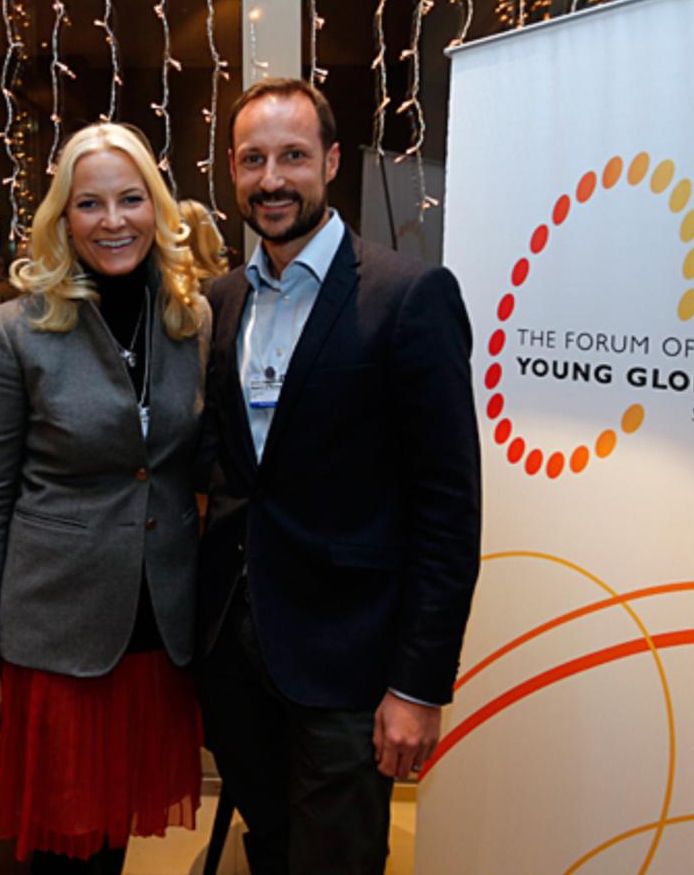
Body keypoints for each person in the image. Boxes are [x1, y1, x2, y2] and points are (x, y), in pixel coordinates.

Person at [196, 78, 482, 874]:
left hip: (350, 663)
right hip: (234, 655)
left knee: (338, 861)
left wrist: (418, 686)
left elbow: (448, 509)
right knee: (272, 849)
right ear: (233, 169)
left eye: (292, 156)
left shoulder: (409, 297)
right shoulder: (221, 302)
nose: (272, 179)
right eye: (252, 160)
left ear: (329, 162)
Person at [0, 121, 224, 873]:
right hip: (58, 636)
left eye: (130, 199)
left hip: (157, 627)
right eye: (89, 204)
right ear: (63, 219)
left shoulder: (191, 320)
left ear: (157, 209)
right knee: (65, 853)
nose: (113, 221)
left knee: (113, 843)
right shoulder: (15, 332)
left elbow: (194, 461)